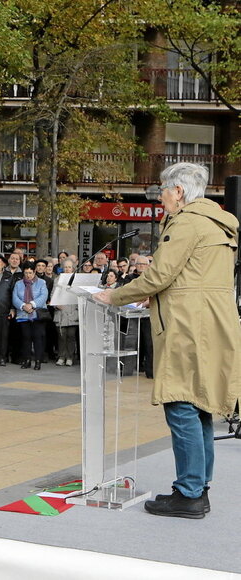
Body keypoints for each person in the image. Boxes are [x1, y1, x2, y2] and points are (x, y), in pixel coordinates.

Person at [95, 162, 241, 519]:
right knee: (199, 405)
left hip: (188, 326)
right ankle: (196, 488)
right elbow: (191, 277)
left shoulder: (187, 221)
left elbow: (160, 273)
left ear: (178, 191)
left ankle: (189, 493)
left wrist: (114, 296)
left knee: (180, 404)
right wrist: (157, 295)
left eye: (162, 190)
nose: (159, 198)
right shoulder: (214, 220)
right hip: (208, 321)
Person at [12, 261, 48, 370]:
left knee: (37, 338)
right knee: (26, 338)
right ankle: (26, 360)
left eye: (30, 273)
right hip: (23, 314)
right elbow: (15, 298)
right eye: (26, 273)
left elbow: (43, 296)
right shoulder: (18, 284)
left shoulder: (41, 282)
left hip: (37, 314)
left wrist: (32, 304)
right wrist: (23, 306)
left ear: (34, 272)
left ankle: (37, 361)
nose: (28, 275)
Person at [54, 259, 78, 366]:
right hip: (61, 310)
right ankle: (61, 356)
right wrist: (56, 304)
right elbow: (53, 294)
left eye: (69, 267)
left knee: (71, 335)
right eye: (65, 267)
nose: (67, 269)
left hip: (73, 310)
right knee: (61, 335)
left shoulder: (77, 280)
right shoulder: (57, 279)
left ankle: (70, 357)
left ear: (73, 268)